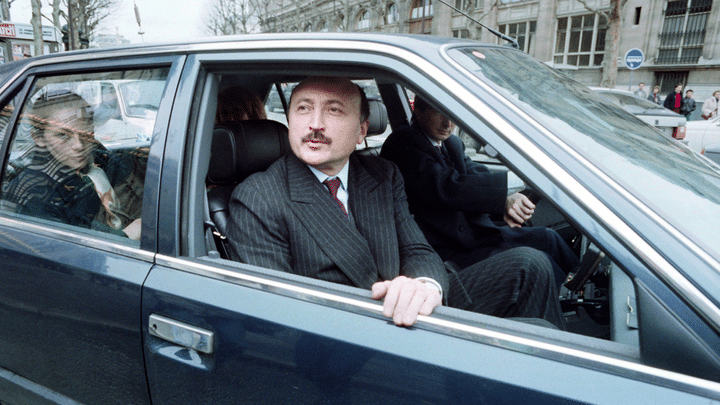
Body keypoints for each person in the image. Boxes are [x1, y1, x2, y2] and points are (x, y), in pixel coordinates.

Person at [226, 76, 564, 329]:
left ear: (362, 131)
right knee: (540, 332)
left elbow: (417, 250)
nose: (315, 124)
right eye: (303, 109)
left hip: (410, 306)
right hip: (353, 335)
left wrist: (425, 285)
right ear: (290, 122)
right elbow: (281, 320)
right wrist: (394, 300)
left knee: (530, 263)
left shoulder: (382, 175)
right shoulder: (259, 198)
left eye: (333, 111)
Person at [380, 97, 578, 288]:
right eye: (439, 112)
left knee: (547, 237)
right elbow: (449, 186)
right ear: (419, 112)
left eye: (451, 114)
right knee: (537, 262)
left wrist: (508, 195)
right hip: (445, 249)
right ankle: (566, 300)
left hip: (473, 234)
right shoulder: (403, 142)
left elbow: (473, 172)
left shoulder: (452, 143)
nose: (448, 123)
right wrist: (513, 187)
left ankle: (581, 282)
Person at [2, 92, 145, 240]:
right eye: (62, 135)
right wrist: (129, 235)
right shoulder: (37, 192)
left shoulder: (98, 157)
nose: (78, 145)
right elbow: (77, 250)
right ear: (39, 138)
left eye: (85, 133)